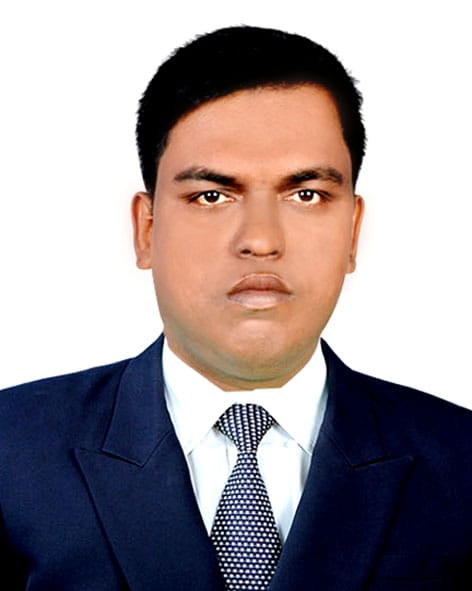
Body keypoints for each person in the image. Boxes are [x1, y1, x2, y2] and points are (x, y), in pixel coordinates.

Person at [0, 25, 471, 591]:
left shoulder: (461, 463)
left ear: (352, 232)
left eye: (306, 195)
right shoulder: (11, 452)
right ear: (146, 229)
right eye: (212, 196)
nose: (261, 240)